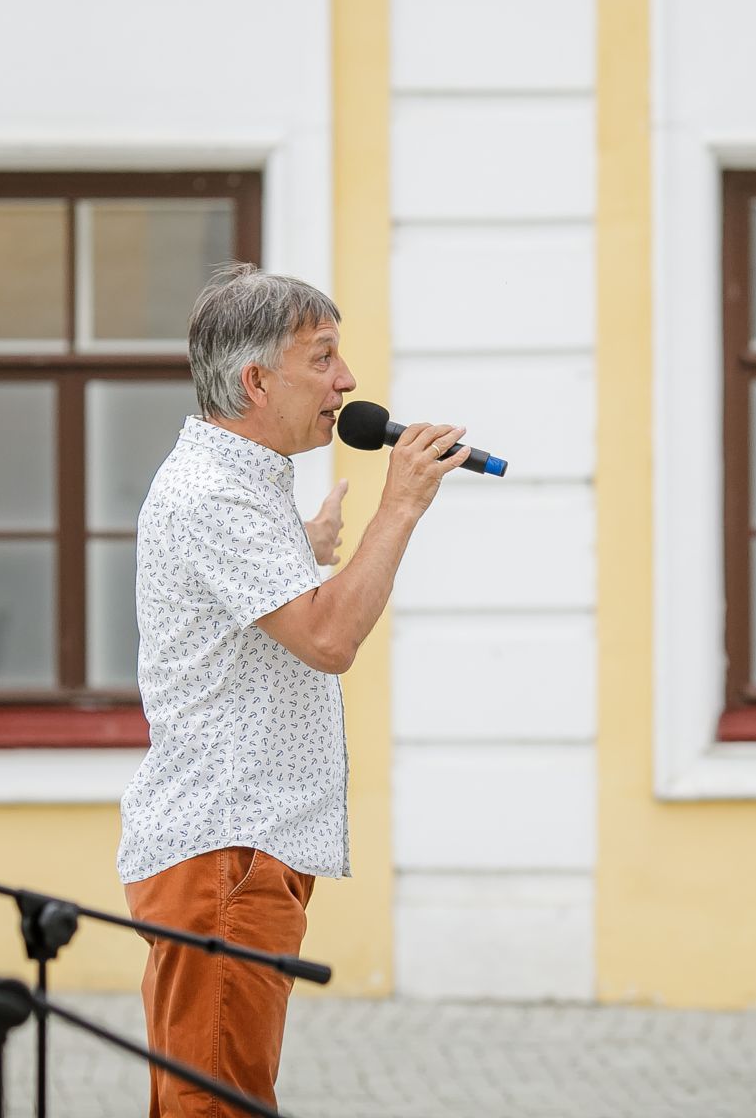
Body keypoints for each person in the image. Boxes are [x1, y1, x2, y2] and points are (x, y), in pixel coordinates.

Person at [117, 262, 468, 1117]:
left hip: (236, 850)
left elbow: (253, 612)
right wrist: (401, 506)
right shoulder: (215, 495)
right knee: (217, 1107)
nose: (347, 381)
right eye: (323, 357)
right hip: (225, 853)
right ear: (256, 380)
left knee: (214, 1097)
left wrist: (300, 548)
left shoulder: (239, 481)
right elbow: (327, 638)